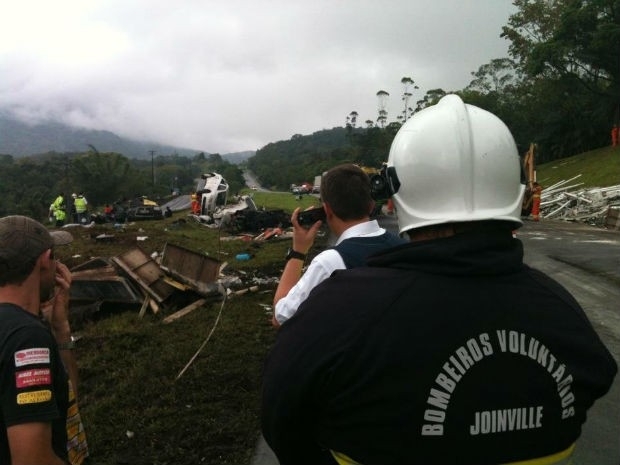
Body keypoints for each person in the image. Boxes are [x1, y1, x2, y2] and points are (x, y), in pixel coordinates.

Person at [262, 95, 617, 465]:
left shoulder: (338, 311)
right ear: (514, 191)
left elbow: (282, 417)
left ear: (396, 193)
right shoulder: (563, 313)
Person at [0, 215, 89, 465]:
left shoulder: (22, 329)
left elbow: (64, 401)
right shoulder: (26, 339)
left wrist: (60, 329)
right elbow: (32, 460)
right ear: (45, 259)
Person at [271, 163, 405, 327]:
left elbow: (281, 317)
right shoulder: (403, 246)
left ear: (327, 210)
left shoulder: (330, 263)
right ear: (371, 205)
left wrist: (298, 252)